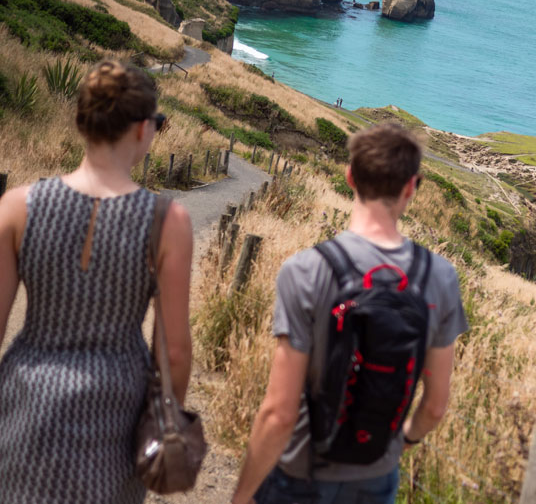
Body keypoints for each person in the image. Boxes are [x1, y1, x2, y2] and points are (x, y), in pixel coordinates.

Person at [231, 123, 468, 504]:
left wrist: (241, 496)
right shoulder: (440, 276)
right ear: (411, 187)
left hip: (301, 473)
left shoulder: (306, 269)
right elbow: (436, 405)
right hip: (376, 476)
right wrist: (400, 442)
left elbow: (279, 413)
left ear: (350, 177)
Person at [0, 59, 194, 503]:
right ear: (144, 129)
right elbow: (175, 353)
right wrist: (164, 428)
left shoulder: (17, 207)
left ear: (82, 123)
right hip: (118, 410)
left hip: (26, 397)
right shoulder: (168, 222)